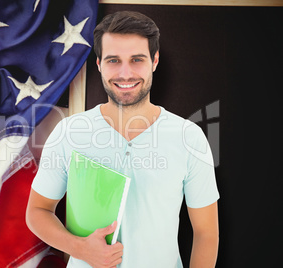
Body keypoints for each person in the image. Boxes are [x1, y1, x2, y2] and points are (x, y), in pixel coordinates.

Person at [26, 11, 219, 268]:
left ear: (155, 60)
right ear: (99, 64)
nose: (125, 73)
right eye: (114, 60)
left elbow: (206, 233)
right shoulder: (69, 132)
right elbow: (37, 211)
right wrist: (80, 248)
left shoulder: (189, 137)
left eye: (137, 59)